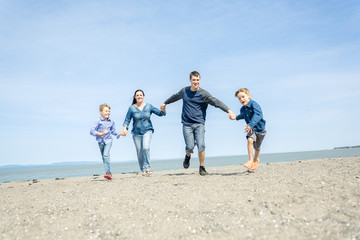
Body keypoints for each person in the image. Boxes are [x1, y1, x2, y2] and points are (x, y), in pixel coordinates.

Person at [160, 71, 236, 176]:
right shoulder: (184, 91)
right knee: (190, 147)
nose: (196, 82)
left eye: (197, 80)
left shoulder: (203, 94)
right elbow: (175, 96)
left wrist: (228, 110)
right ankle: (188, 156)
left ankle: (201, 167)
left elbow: (216, 102)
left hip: (199, 123)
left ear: (199, 80)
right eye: (194, 80)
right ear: (190, 80)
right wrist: (165, 103)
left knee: (201, 145)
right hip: (187, 124)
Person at [120, 89, 166, 176]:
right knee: (139, 151)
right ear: (135, 97)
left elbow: (160, 113)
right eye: (137, 95)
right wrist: (125, 128)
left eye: (141, 95)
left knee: (145, 148)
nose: (139, 96)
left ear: (143, 96)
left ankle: (148, 167)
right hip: (136, 133)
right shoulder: (131, 108)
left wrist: (163, 109)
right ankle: (143, 169)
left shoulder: (148, 106)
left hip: (147, 130)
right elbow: (127, 120)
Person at [233, 88, 266, 171]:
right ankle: (251, 160)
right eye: (239, 98)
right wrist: (235, 117)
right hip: (251, 129)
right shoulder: (242, 109)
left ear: (249, 96)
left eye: (243, 97)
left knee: (257, 148)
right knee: (250, 140)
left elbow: (258, 115)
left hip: (260, 129)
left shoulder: (254, 104)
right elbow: (242, 115)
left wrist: (250, 124)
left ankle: (255, 160)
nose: (241, 99)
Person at [90, 103, 121, 180]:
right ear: (101, 112)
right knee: (104, 157)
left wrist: (119, 134)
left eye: (109, 111)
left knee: (106, 154)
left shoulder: (111, 122)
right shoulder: (97, 121)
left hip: (108, 140)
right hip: (100, 141)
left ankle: (108, 173)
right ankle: (108, 172)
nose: (107, 113)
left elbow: (113, 131)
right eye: (106, 111)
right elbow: (91, 131)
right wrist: (100, 133)